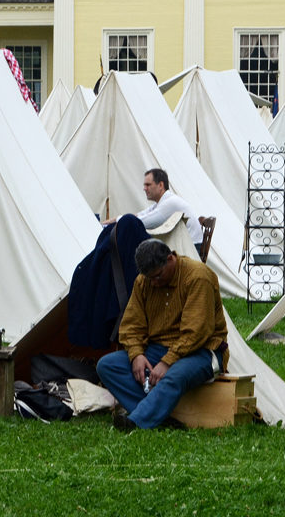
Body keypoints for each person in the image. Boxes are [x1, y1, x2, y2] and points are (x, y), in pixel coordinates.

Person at [96, 239, 229, 430]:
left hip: (201, 351)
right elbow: (132, 324)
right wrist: (136, 355)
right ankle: (160, 418)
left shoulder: (198, 277)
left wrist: (167, 361)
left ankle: (136, 422)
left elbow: (196, 332)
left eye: (158, 276)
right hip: (157, 349)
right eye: (150, 278)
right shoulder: (144, 281)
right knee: (107, 366)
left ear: (170, 258)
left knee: (176, 374)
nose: (154, 283)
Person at [103, 169, 203, 251]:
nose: (144, 188)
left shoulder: (170, 203)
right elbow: (138, 216)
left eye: (148, 185)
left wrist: (115, 221)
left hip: (190, 250)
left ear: (160, 185)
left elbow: (141, 223)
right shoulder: (162, 202)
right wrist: (110, 221)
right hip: (185, 246)